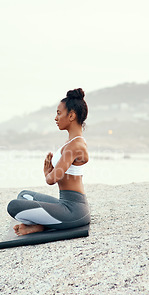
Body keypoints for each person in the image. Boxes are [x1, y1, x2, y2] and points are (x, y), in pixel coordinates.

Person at [7, 88, 90, 236]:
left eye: (59, 113)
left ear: (71, 115)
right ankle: (42, 224)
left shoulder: (75, 146)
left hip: (75, 211)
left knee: (13, 206)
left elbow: (52, 179)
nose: (56, 118)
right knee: (24, 195)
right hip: (63, 203)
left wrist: (47, 173)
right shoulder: (70, 142)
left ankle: (41, 225)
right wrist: (51, 172)